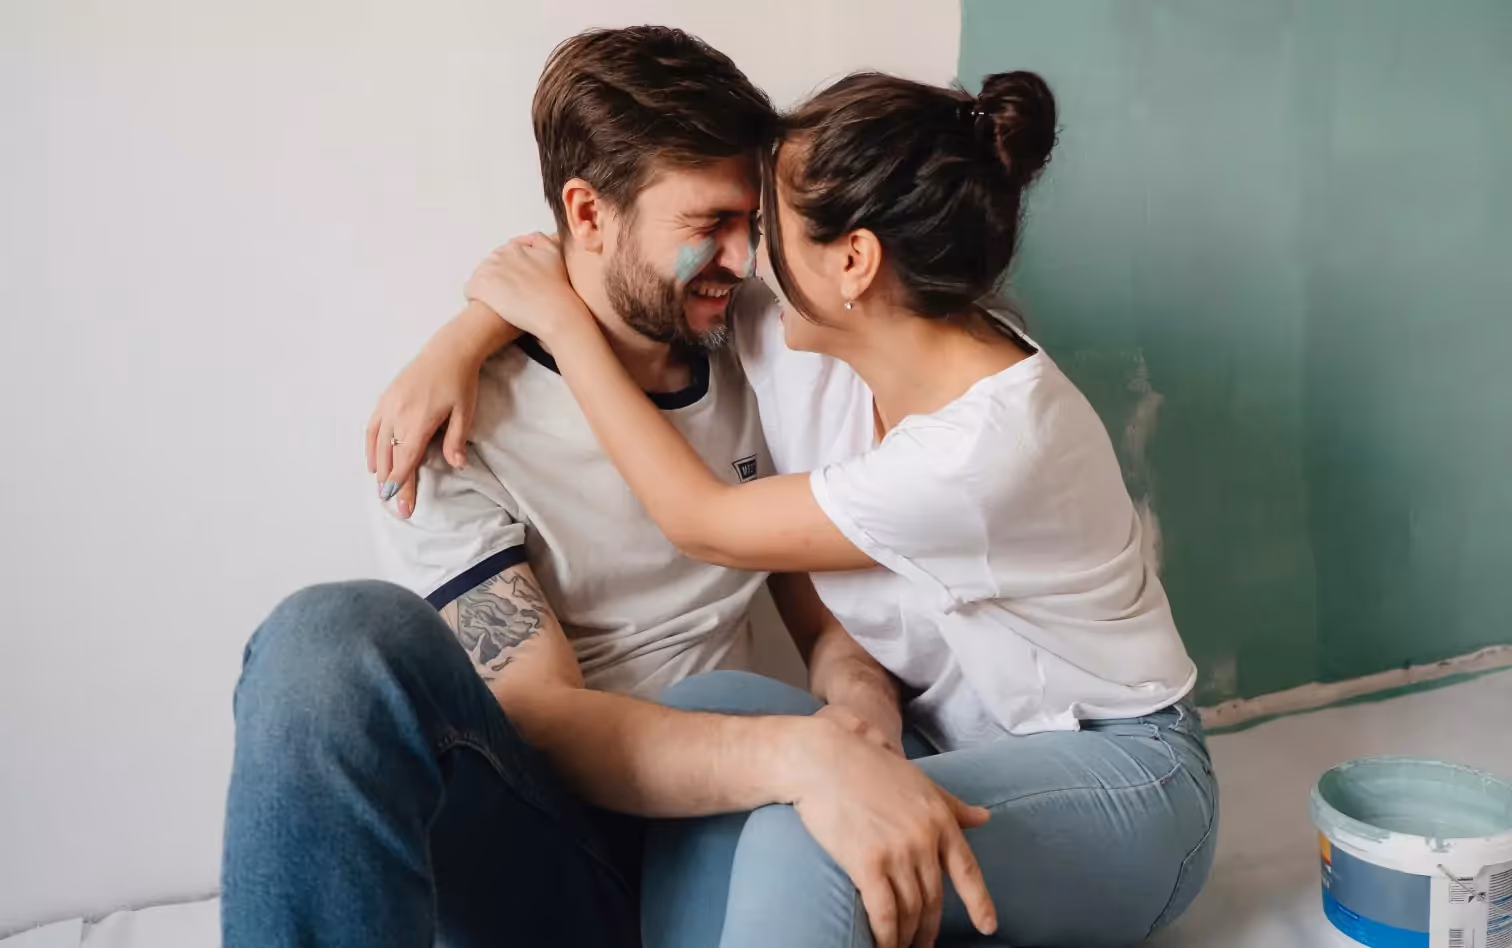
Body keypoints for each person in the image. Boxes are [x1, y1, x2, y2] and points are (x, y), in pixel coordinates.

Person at [370, 68, 1220, 947]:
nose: (746, 261)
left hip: (1125, 770)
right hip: (948, 745)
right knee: (712, 709)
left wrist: (560, 327)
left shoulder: (986, 446)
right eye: (728, 227)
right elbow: (606, 263)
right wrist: (462, 341)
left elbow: (701, 518)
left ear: (854, 261)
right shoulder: (815, 334)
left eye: (766, 227)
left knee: (812, 831)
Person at [222, 25, 1000, 948]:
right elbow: (544, 718)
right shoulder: (455, 431)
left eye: (749, 225)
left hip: (735, 826)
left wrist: (857, 707)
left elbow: (818, 603)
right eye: (706, 226)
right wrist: (797, 756)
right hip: (559, 852)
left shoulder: (766, 347)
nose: (745, 261)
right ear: (588, 214)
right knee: (327, 641)